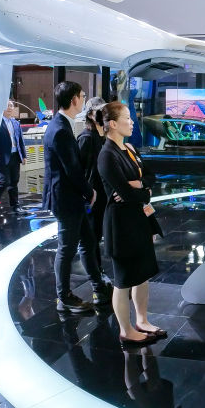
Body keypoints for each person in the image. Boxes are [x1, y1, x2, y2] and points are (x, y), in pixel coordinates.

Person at [97, 101, 164, 347]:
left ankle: (142, 320)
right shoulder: (106, 155)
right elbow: (125, 193)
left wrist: (140, 185)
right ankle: (126, 330)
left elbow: (151, 177)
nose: (132, 122)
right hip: (121, 225)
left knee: (142, 274)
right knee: (123, 280)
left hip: (139, 220)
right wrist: (143, 191)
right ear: (113, 124)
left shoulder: (129, 148)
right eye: (127, 117)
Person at [43, 82, 109, 314]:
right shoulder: (60, 129)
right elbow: (72, 169)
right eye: (82, 96)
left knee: (88, 243)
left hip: (71, 198)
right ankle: (64, 297)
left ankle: (98, 286)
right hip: (65, 199)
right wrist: (90, 192)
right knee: (67, 248)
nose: (83, 99)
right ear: (73, 100)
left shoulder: (61, 125)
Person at [78, 96, 109, 283]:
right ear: (91, 115)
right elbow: (79, 170)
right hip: (92, 196)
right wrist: (88, 194)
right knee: (91, 237)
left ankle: (99, 272)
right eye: (100, 111)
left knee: (98, 234)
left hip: (104, 195)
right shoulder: (87, 138)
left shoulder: (102, 137)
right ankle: (96, 275)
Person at [0, 100, 26, 212]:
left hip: (15, 156)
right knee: (4, 181)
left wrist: (23, 155)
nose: (9, 108)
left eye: (11, 106)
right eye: (7, 106)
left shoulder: (16, 123)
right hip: (1, 157)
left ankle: (15, 205)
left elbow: (20, 140)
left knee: (14, 181)